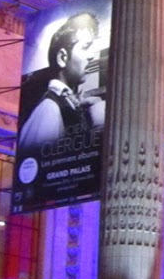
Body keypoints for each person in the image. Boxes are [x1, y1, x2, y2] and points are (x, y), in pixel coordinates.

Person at [14, 12, 105, 196]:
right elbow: (35, 178)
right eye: (86, 47)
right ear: (63, 57)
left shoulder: (65, 105)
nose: (91, 56)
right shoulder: (50, 110)